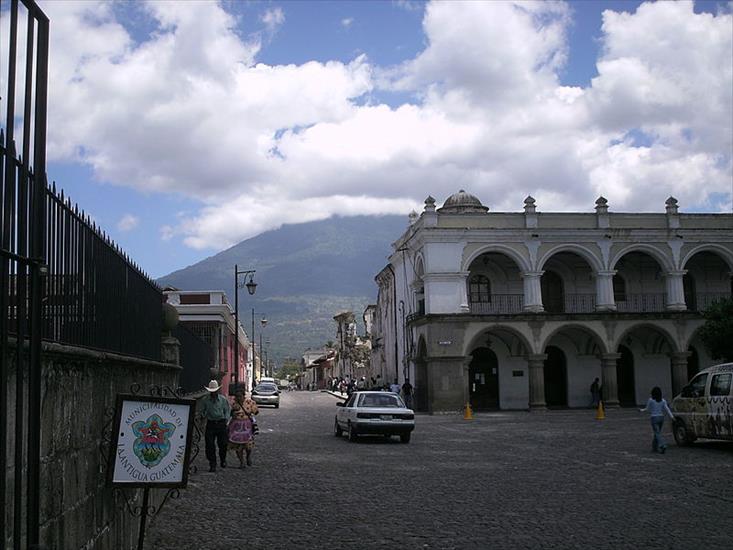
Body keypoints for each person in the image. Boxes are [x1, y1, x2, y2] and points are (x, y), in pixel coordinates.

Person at [201, 380, 231, 472]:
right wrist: (203, 415)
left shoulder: (222, 399)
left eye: (215, 391)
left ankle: (223, 459)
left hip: (221, 423)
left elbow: (227, 410)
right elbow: (202, 412)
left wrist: (226, 420)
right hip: (211, 423)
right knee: (210, 445)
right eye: (211, 391)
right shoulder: (205, 400)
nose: (213, 392)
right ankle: (212, 463)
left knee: (223, 444)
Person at [640, 386, 675, 454]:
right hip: (661, 418)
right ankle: (654, 447)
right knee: (657, 433)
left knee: (657, 433)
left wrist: (641, 410)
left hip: (654, 418)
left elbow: (647, 409)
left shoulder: (651, 400)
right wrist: (672, 417)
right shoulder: (663, 400)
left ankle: (662, 445)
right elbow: (667, 409)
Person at [228, 390, 258, 468]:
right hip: (236, 426)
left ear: (243, 396)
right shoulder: (234, 403)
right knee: (237, 445)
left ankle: (248, 456)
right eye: (236, 396)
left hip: (247, 426)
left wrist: (249, 412)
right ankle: (242, 462)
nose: (238, 398)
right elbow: (230, 414)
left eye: (240, 396)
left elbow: (256, 412)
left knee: (248, 444)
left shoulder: (250, 402)